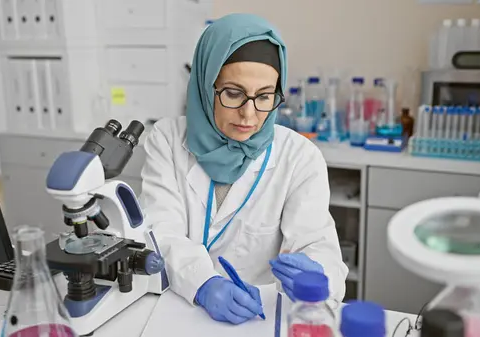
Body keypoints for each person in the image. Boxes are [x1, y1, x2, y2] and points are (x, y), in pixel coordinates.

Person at [139, 13, 348, 325]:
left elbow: (320, 246)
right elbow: (159, 231)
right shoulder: (167, 140)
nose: (249, 114)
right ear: (206, 85)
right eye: (233, 93)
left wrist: (315, 270)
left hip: (258, 318)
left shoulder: (300, 156)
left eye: (264, 96)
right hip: (179, 307)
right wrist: (203, 283)